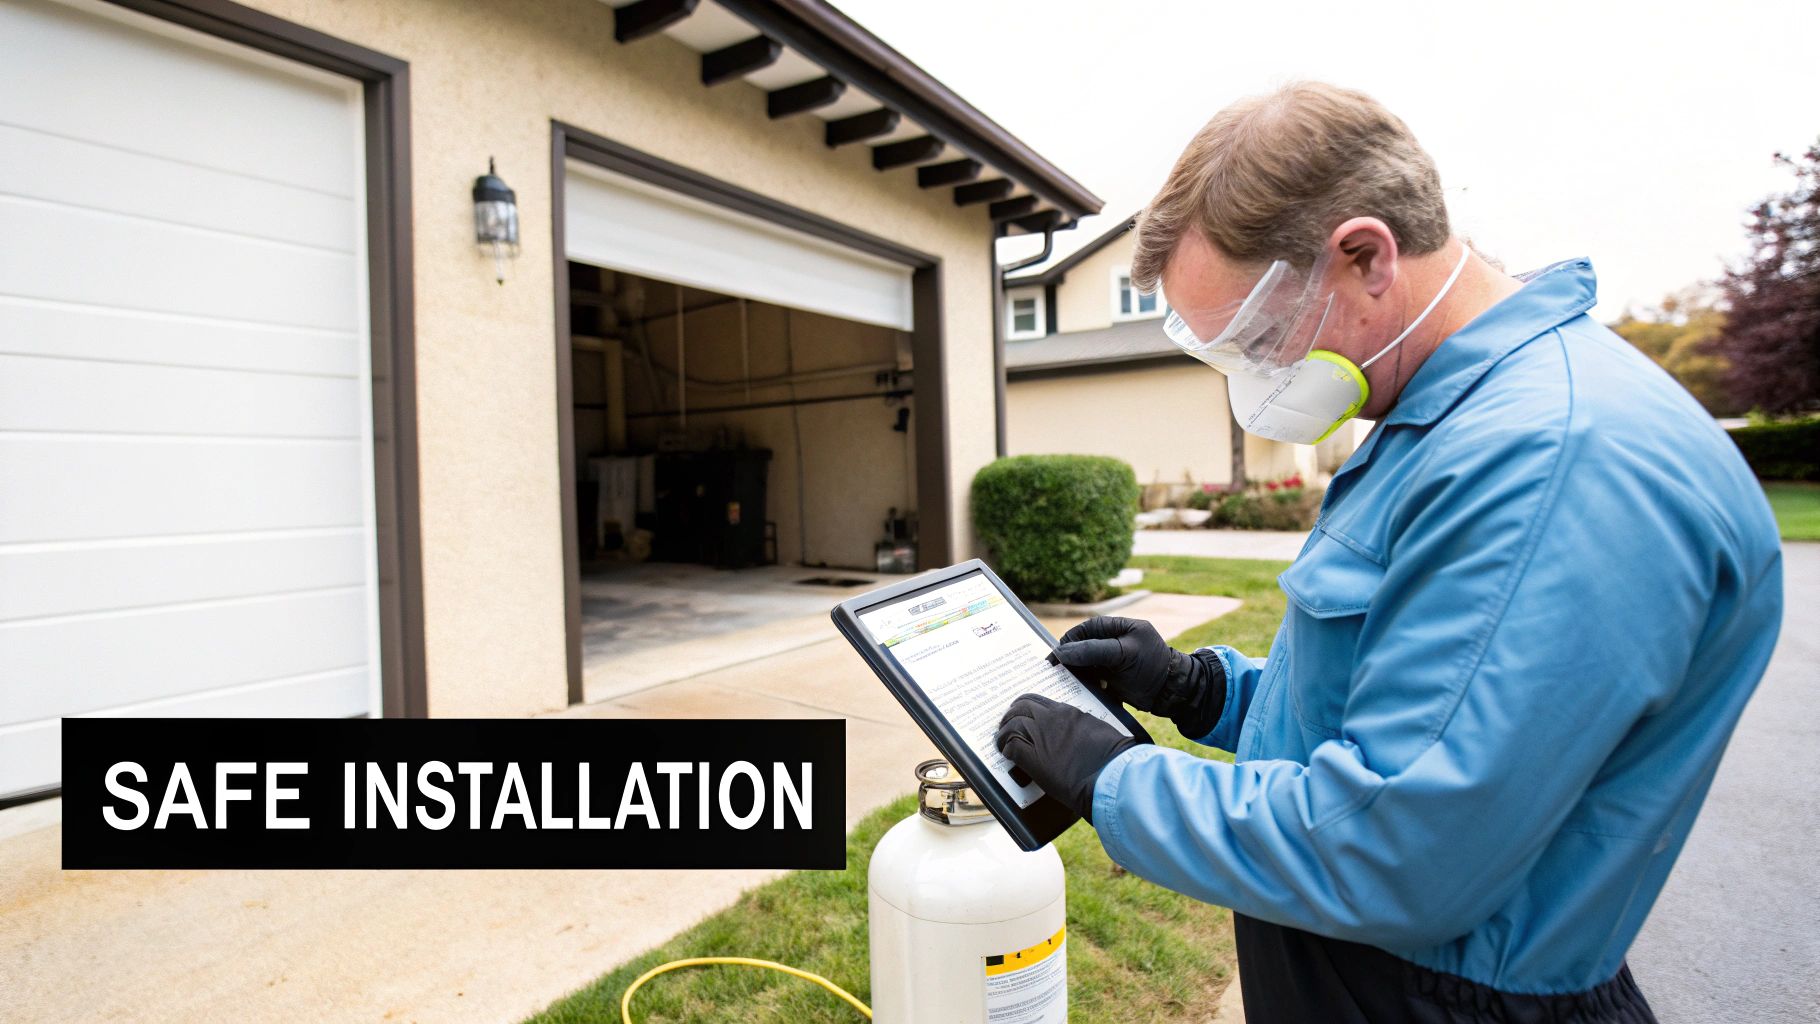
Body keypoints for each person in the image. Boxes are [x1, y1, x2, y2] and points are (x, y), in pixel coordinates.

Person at [994, 82, 1784, 1024]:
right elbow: (1397, 707)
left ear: (1366, 256)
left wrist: (1114, 780)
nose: (1257, 379)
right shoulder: (1448, 422)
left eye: (1259, 338)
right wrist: (1200, 689)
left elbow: (1398, 851)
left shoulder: (1551, 461)